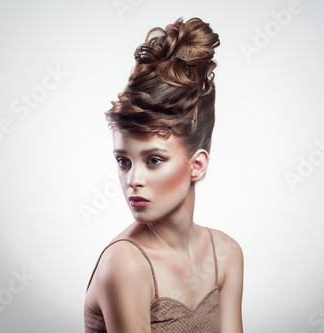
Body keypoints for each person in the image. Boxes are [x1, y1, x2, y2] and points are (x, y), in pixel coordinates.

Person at [84, 17, 243, 333]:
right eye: (124, 161)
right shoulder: (125, 264)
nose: (133, 180)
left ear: (196, 165)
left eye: (154, 160)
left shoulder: (225, 254)